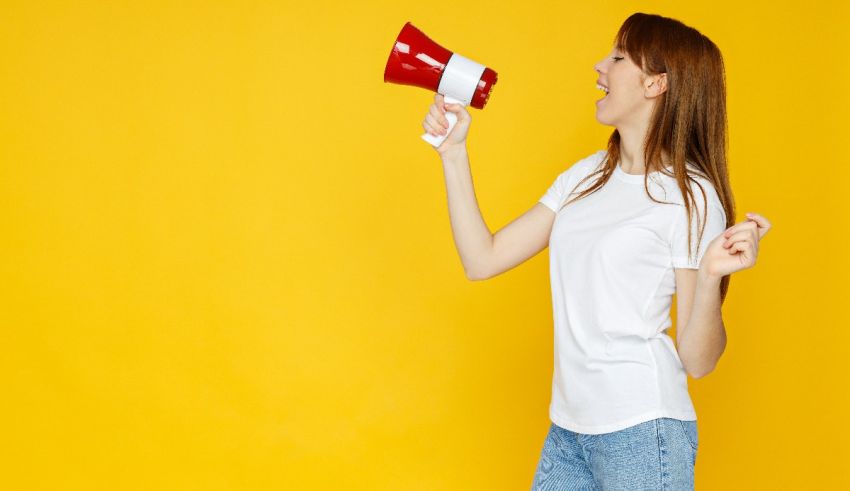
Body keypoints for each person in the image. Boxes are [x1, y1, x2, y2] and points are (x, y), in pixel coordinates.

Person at [421, 12, 772, 491]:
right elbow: (482, 261)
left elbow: (698, 360)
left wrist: (710, 277)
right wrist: (453, 153)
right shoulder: (585, 176)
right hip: (569, 428)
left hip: (643, 431)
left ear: (656, 85)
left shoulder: (690, 196)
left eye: (618, 57)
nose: (599, 66)